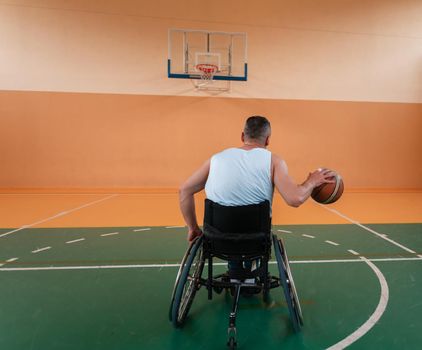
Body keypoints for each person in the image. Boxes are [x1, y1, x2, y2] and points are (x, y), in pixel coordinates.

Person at [179, 115, 334, 243]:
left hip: (216, 236)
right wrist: (312, 181)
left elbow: (185, 190)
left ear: (242, 136)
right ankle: (248, 276)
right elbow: (295, 199)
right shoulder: (274, 161)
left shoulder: (216, 159)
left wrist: (193, 228)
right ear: (267, 140)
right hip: (255, 238)